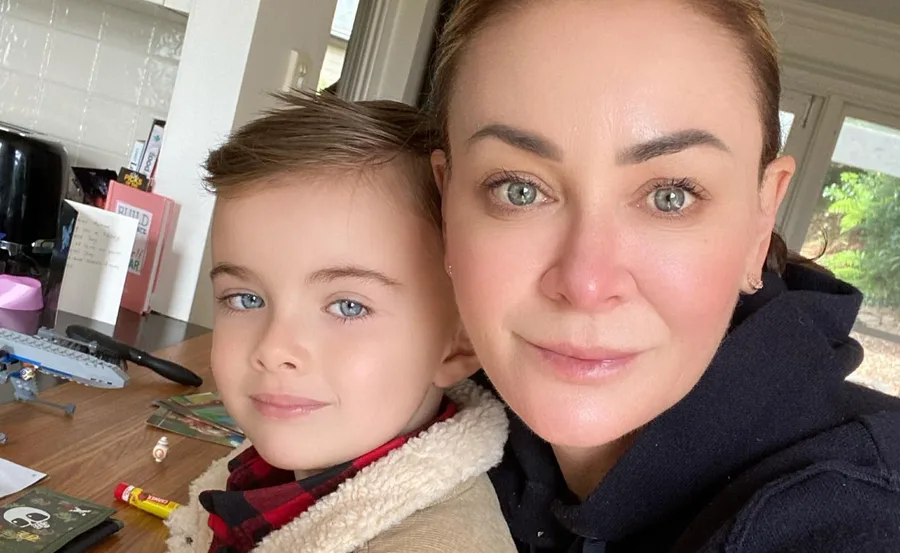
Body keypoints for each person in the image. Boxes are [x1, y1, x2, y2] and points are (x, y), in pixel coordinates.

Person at [428, 0, 900, 551]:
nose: (586, 283)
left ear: (760, 219)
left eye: (670, 196)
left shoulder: (860, 515)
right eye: (519, 190)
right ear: (446, 205)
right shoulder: (418, 423)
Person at [165, 92, 516, 553]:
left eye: (348, 306)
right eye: (246, 298)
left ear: (458, 343)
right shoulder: (284, 475)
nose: (274, 348)